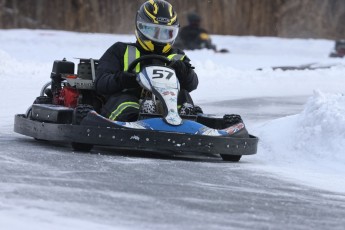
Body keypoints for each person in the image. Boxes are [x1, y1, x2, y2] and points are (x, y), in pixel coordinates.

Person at [95, 0, 199, 122]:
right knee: (124, 100)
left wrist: (185, 72)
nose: (159, 37)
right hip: (130, 100)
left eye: (166, 32)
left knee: (184, 96)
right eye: (153, 30)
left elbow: (192, 85)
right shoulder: (121, 50)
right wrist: (122, 80)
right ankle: (137, 120)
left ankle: (190, 120)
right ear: (140, 27)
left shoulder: (177, 56)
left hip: (167, 103)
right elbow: (100, 83)